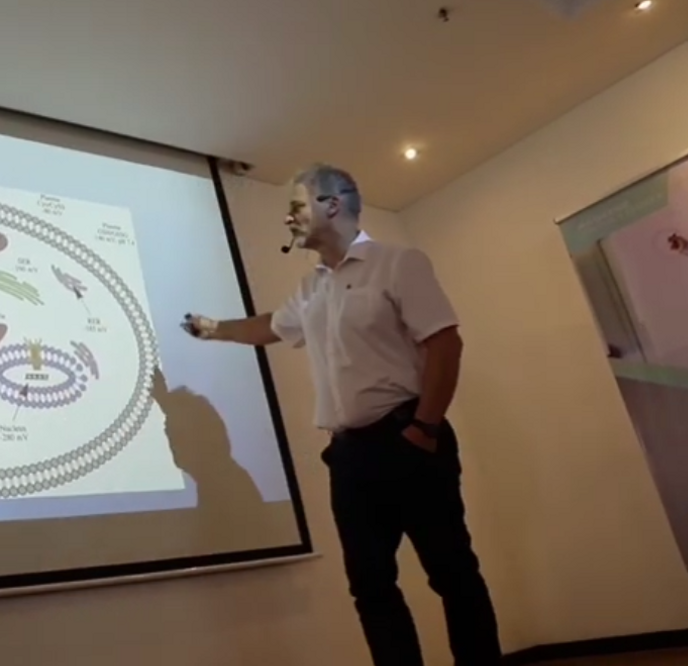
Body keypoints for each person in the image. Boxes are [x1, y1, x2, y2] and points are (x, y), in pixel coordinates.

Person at [181, 164, 500, 665]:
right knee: (370, 587)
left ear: (332, 205)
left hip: (408, 437)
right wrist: (214, 328)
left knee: (451, 573)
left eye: (296, 207)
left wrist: (425, 428)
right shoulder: (312, 287)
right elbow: (272, 327)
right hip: (349, 457)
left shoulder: (398, 263)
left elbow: (445, 343)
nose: (288, 218)